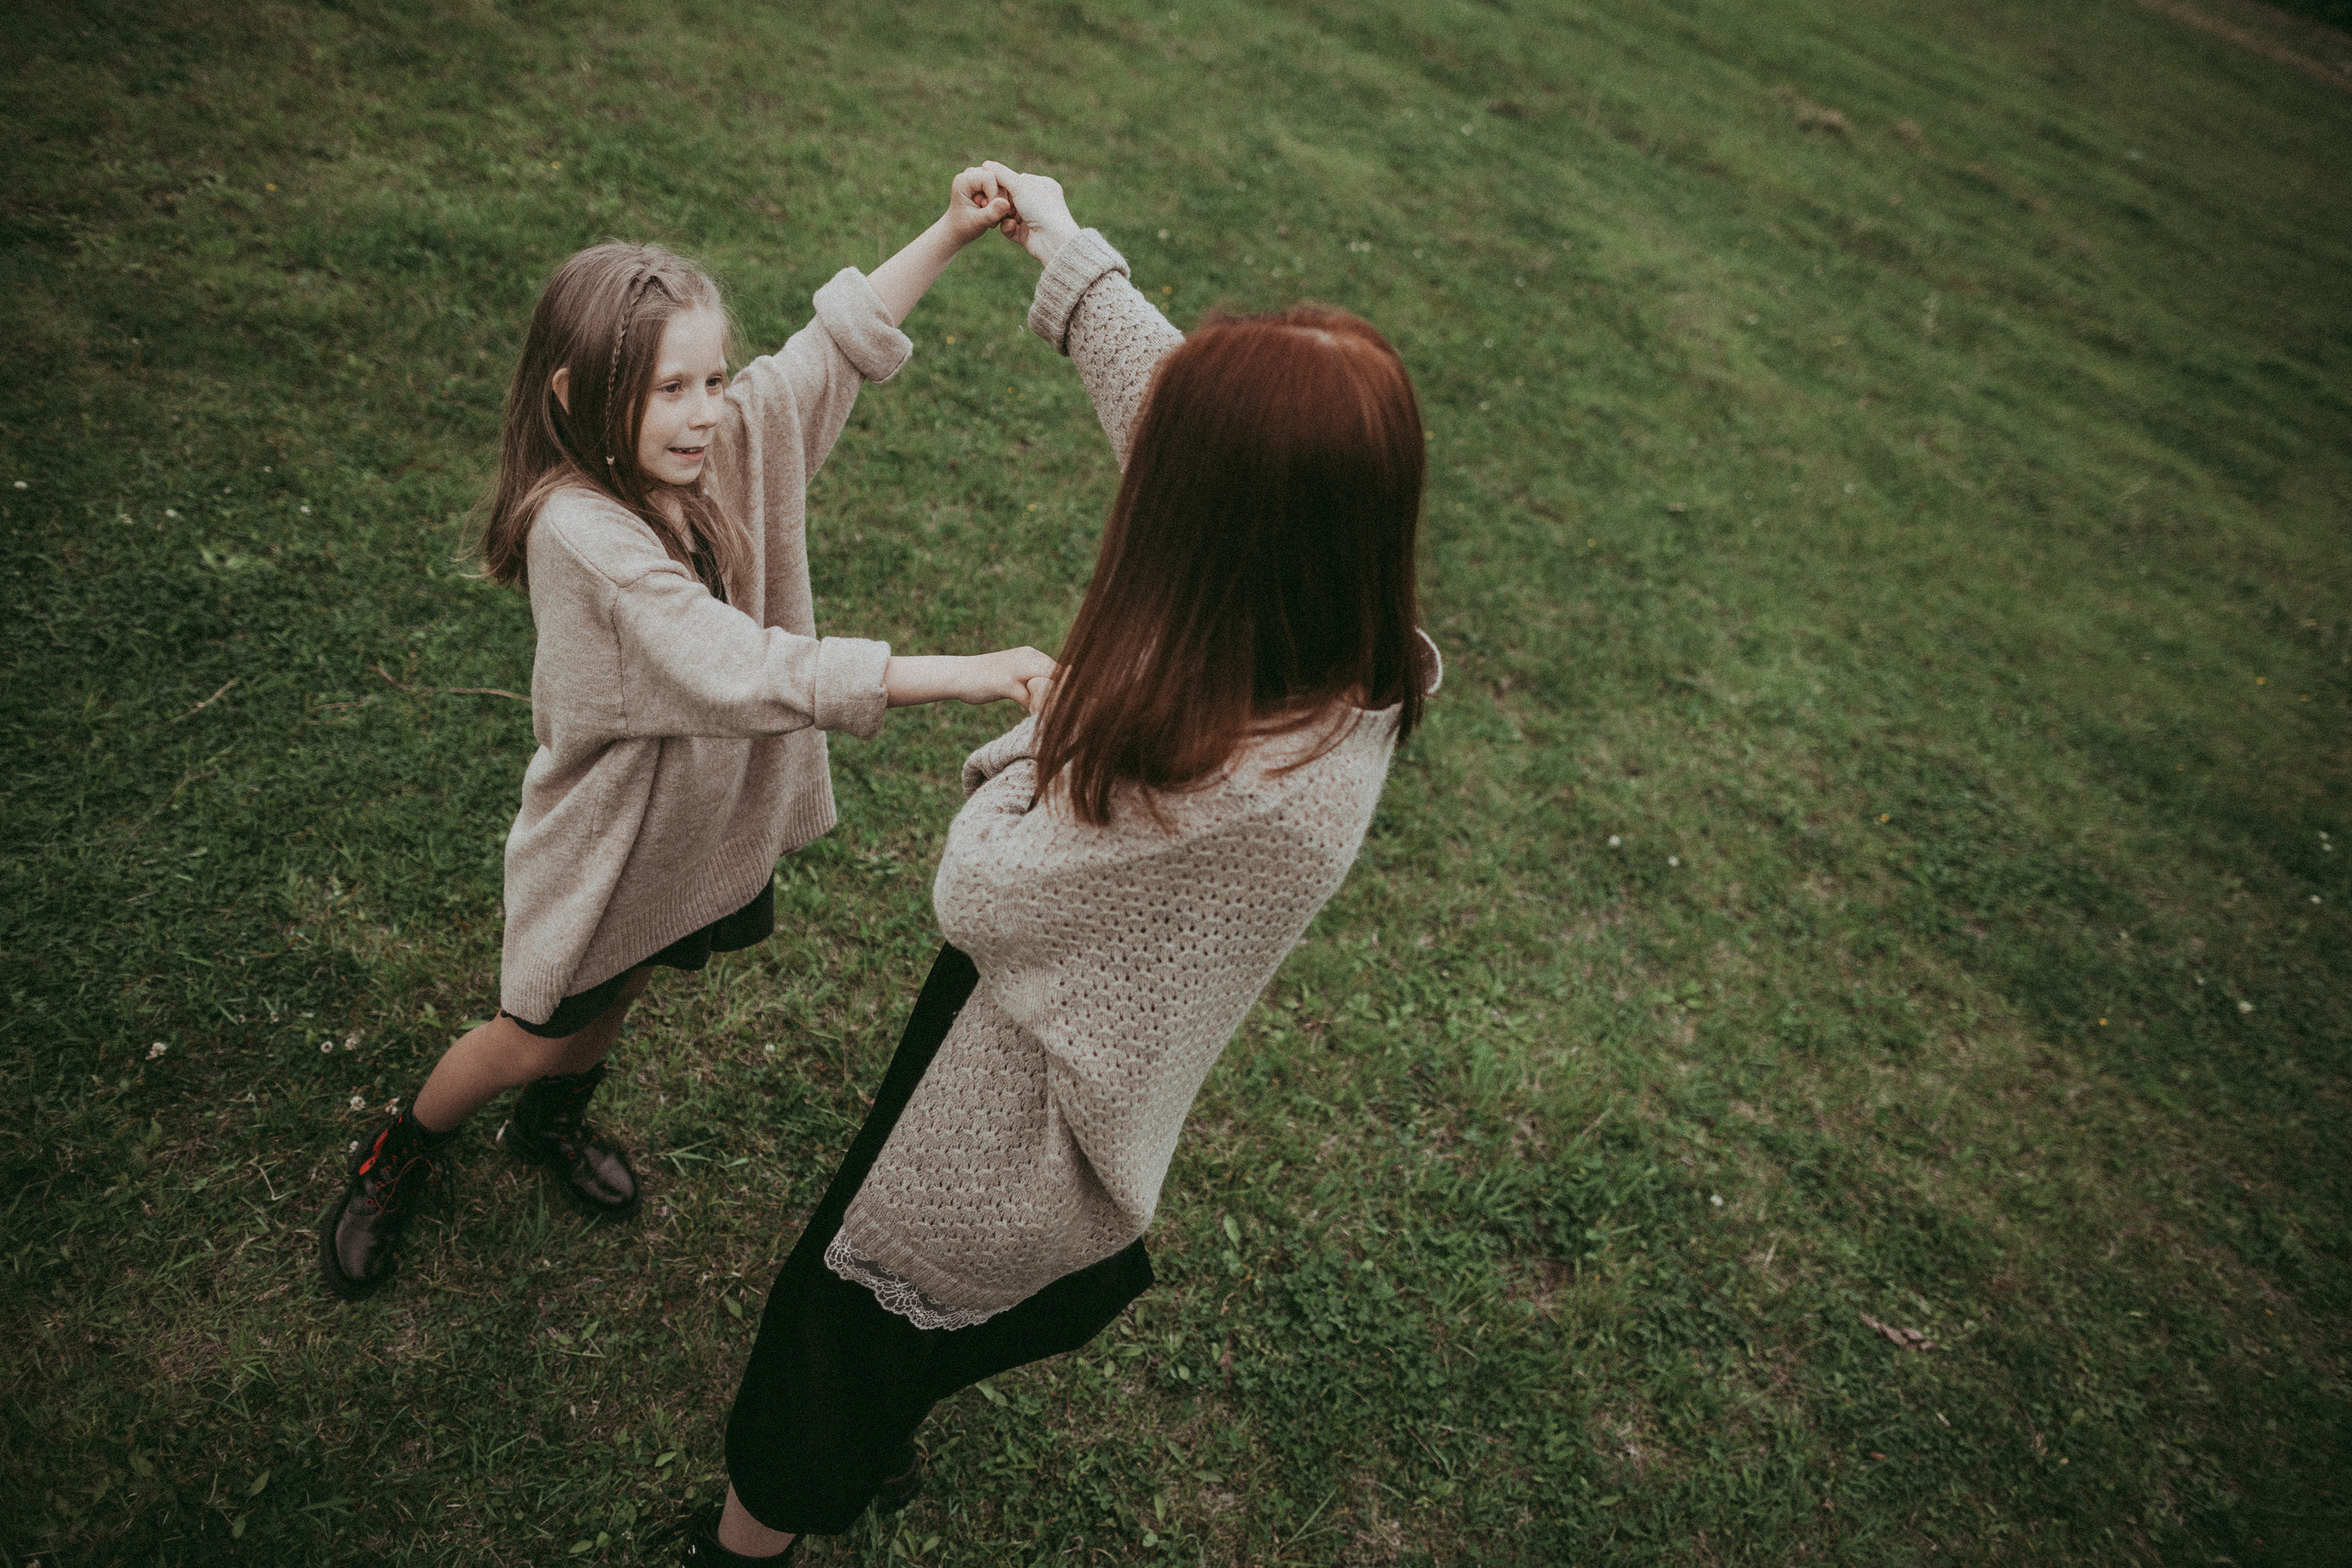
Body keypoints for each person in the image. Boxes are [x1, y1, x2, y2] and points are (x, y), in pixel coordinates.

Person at [681, 165, 1442, 1562]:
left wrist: (1034, 738)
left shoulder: (1227, 789)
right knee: (879, 1327)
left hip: (1016, 1116)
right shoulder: (1344, 643)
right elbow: (1187, 426)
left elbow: (983, 889)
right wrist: (1067, 245)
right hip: (1036, 1030)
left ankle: (749, 1537)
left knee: (836, 1328)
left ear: (1224, 525)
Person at [317, 168, 1056, 1303]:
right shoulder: (582, 535)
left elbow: (823, 354)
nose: (707, 410)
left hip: (687, 834)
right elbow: (743, 667)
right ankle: (400, 1151)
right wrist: (966, 673)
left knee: (624, 990)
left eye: (711, 379)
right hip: (606, 844)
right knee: (532, 1029)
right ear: (575, 394)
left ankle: (550, 1127)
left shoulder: (705, 454)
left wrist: (949, 234)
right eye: (671, 389)